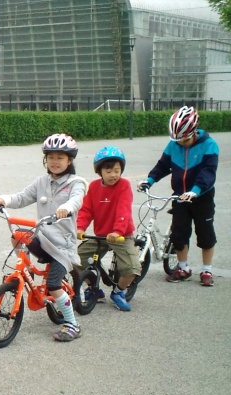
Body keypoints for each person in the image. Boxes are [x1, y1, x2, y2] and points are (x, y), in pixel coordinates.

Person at [0, 133, 87, 341]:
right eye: (51, 157)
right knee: (17, 234)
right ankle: (25, 270)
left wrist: (66, 208)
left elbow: (76, 200)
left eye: (60, 157)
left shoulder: (77, 183)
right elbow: (22, 197)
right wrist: (4, 200)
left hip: (62, 246)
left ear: (69, 160)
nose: (55, 162)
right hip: (43, 238)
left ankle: (72, 324)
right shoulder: (41, 182)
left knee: (54, 285)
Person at [138, 106, 219, 286]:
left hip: (202, 196)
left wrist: (195, 191)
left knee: (205, 234)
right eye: (178, 140)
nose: (181, 143)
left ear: (194, 132)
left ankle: (207, 270)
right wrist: (149, 180)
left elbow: (208, 173)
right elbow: (163, 165)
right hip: (180, 196)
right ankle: (183, 267)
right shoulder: (174, 145)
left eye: (185, 139)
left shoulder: (209, 145)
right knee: (179, 233)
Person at [76, 146, 141, 311]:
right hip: (101, 235)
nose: (114, 175)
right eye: (109, 171)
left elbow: (123, 209)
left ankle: (118, 291)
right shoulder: (94, 187)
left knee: (132, 268)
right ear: (99, 172)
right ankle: (93, 288)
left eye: (117, 170)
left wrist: (118, 231)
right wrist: (79, 228)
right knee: (75, 259)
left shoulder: (124, 185)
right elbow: (86, 210)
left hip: (121, 235)